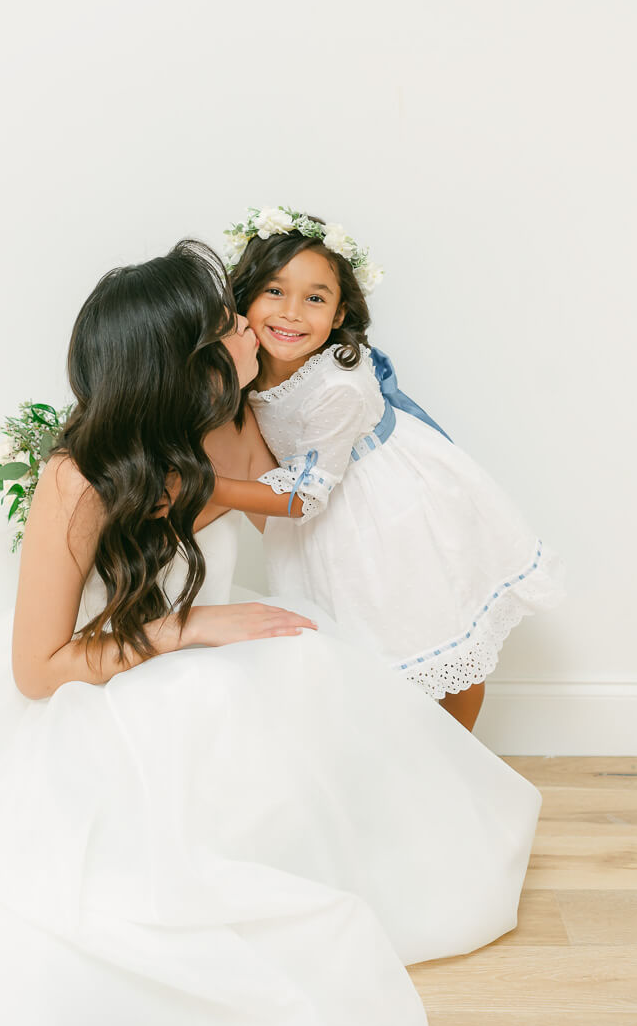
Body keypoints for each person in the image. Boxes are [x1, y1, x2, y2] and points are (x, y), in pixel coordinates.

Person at [0, 241, 541, 1026]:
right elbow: (37, 667)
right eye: (226, 322)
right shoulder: (78, 477)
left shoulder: (238, 421)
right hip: (104, 675)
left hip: (217, 649)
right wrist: (189, 626)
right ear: (185, 361)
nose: (247, 323)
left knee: (310, 691)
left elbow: (303, 492)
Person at [214, 207, 565, 731]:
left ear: (337, 316)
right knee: (355, 654)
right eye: (274, 291)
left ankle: (459, 757)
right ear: (244, 299)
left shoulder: (339, 385)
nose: (291, 312)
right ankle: (389, 763)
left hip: (387, 511)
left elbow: (301, 497)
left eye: (315, 298)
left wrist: (206, 488)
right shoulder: (242, 362)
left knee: (430, 632)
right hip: (325, 512)